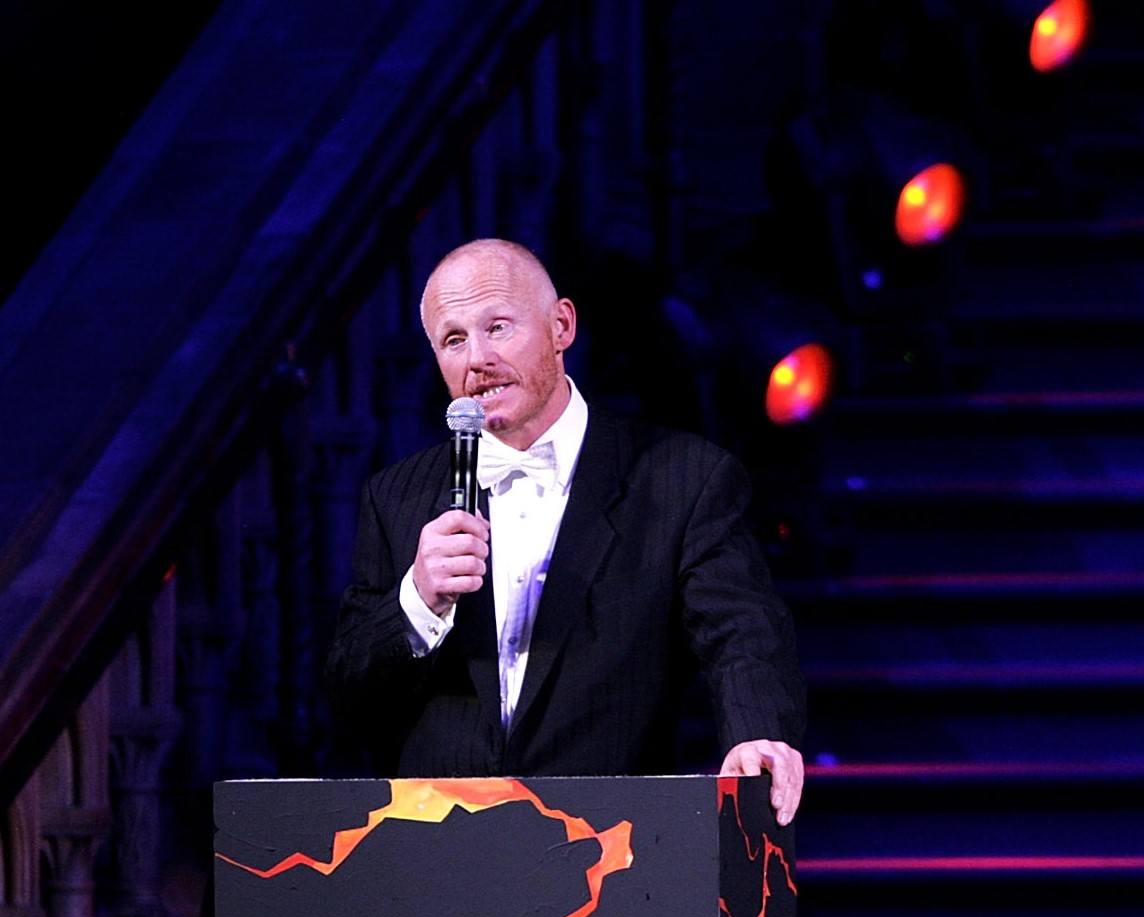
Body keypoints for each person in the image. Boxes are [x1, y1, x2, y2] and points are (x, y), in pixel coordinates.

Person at [325, 239, 805, 825]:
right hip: (437, 845)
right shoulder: (396, 495)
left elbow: (741, 633)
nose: (477, 359)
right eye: (454, 340)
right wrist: (419, 601)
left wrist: (758, 734)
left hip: (612, 844)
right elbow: (349, 694)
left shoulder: (682, 479)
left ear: (561, 326)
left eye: (497, 327)